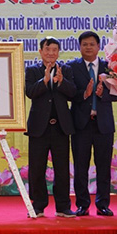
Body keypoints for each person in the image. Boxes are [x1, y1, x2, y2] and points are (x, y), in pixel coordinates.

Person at [68, 31, 117, 217]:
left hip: (103, 124)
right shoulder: (71, 67)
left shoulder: (110, 67)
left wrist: (102, 94)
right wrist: (84, 93)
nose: (88, 47)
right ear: (80, 47)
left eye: (92, 44)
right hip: (80, 124)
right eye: (84, 44)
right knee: (80, 167)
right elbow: (67, 93)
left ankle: (103, 204)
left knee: (103, 166)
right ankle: (82, 204)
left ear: (98, 47)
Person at [25, 36, 77, 218]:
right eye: (47, 50)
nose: (51, 53)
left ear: (58, 52)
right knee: (37, 168)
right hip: (39, 128)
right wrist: (44, 81)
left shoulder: (66, 70)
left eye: (54, 50)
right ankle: (38, 205)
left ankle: (63, 206)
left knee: (62, 169)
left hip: (61, 127)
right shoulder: (32, 71)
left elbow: (73, 94)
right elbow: (29, 93)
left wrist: (62, 82)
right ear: (40, 52)